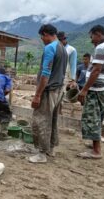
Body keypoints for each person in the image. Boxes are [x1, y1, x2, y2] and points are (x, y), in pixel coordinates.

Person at [77, 25, 104, 159]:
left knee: (91, 117)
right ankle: (95, 144)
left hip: (96, 89)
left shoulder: (101, 48)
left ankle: (96, 151)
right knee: (99, 117)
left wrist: (84, 90)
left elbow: (96, 70)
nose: (91, 40)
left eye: (92, 37)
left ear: (98, 34)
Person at [28, 24, 68, 163]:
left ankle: (41, 153)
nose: (42, 40)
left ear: (46, 34)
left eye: (42, 37)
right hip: (58, 89)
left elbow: (45, 74)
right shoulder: (63, 48)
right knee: (53, 120)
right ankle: (51, 148)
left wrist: (37, 95)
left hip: (48, 90)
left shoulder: (50, 48)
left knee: (41, 120)